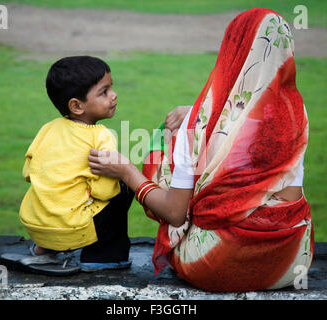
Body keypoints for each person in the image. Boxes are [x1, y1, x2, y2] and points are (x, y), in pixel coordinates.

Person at [88, 8, 314, 291]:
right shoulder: (295, 112)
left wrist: (127, 171)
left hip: (219, 263)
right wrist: (194, 111)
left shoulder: (199, 124)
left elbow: (174, 214)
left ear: (232, 50)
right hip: (292, 259)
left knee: (167, 141)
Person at [13, 56, 132, 274]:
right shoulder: (101, 136)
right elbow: (104, 191)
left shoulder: (48, 129)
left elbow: (29, 172)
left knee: (58, 194)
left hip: (34, 224)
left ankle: (44, 249)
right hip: (72, 229)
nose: (114, 95)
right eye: (104, 92)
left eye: (111, 88)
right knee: (124, 184)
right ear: (77, 106)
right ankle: (103, 256)